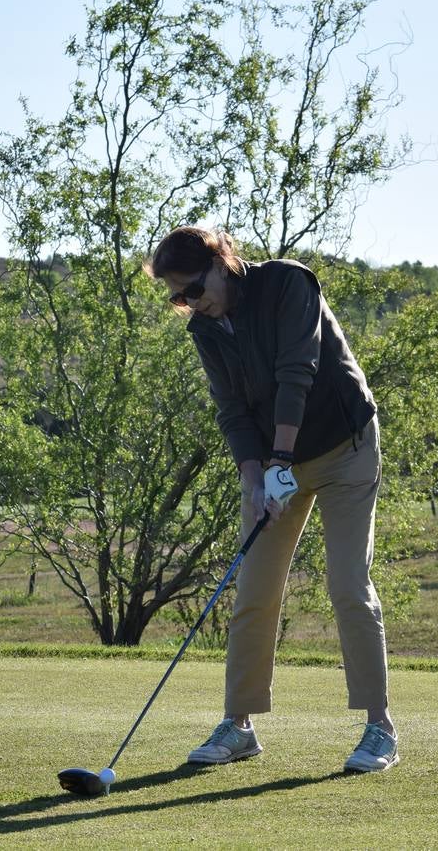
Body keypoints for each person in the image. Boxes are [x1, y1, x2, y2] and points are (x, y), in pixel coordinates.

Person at [149, 225, 398, 774]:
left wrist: (279, 465)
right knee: (254, 590)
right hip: (274, 462)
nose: (190, 303)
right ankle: (239, 725)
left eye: (193, 288)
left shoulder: (289, 283)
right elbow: (232, 411)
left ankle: (380, 727)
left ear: (220, 261)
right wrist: (254, 480)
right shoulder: (206, 329)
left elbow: (296, 374)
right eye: (178, 297)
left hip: (344, 447)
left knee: (348, 585)